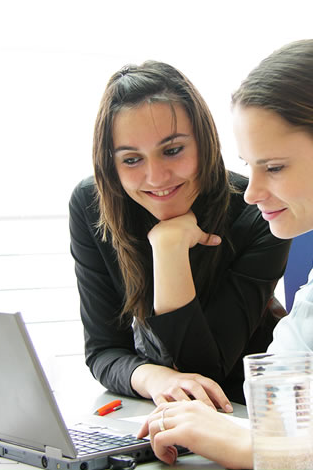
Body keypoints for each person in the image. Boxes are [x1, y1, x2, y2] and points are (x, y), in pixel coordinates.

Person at [138, 40, 313, 469]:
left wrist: (250, 447)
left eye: (275, 167)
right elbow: (272, 387)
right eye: (250, 166)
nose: (251, 193)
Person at [69, 60, 290, 410]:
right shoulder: (91, 205)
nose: (156, 177)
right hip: (158, 407)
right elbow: (103, 350)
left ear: (203, 141)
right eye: (131, 160)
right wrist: (156, 378)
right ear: (110, 164)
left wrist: (168, 248)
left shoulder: (258, 210)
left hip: (248, 410)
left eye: (172, 150)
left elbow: (205, 372)